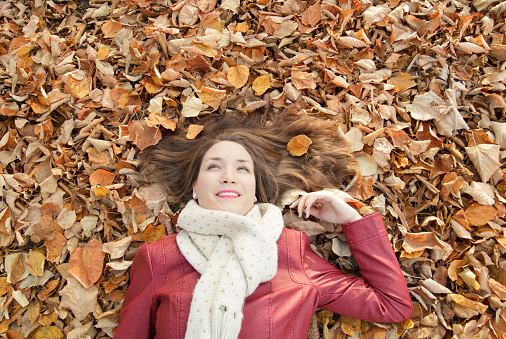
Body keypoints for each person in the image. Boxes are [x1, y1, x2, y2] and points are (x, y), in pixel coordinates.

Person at [114, 111, 413, 339]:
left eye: (242, 168)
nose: (228, 176)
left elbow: (392, 305)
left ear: (256, 189)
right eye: (214, 166)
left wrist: (352, 220)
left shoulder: (291, 253)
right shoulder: (158, 259)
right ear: (194, 186)